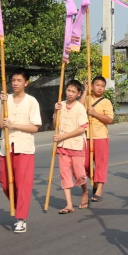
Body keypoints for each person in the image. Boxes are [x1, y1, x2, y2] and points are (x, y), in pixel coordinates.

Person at [0, 68, 41, 234]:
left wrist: (14, 125)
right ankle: (17, 207)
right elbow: (0, 123)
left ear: (26, 83)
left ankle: (21, 218)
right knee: (5, 182)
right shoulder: (5, 99)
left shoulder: (31, 101)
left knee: (23, 185)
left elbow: (35, 127)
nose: (15, 83)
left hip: (24, 148)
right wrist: (2, 103)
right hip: (6, 147)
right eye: (13, 80)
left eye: (19, 80)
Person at [54, 80, 89, 213]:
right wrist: (56, 111)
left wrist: (64, 136)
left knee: (79, 174)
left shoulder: (80, 107)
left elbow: (82, 129)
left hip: (76, 144)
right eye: (68, 90)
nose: (70, 93)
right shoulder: (60, 105)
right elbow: (55, 124)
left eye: (73, 92)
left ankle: (84, 191)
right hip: (62, 145)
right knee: (65, 174)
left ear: (78, 94)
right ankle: (69, 205)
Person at [82, 76, 114, 203]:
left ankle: (99, 190)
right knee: (84, 164)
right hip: (86, 136)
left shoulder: (106, 102)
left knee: (101, 164)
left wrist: (95, 113)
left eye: (102, 86)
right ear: (92, 86)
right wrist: (85, 91)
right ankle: (95, 182)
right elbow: (78, 108)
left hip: (101, 136)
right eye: (97, 85)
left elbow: (110, 119)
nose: (100, 88)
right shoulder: (87, 99)